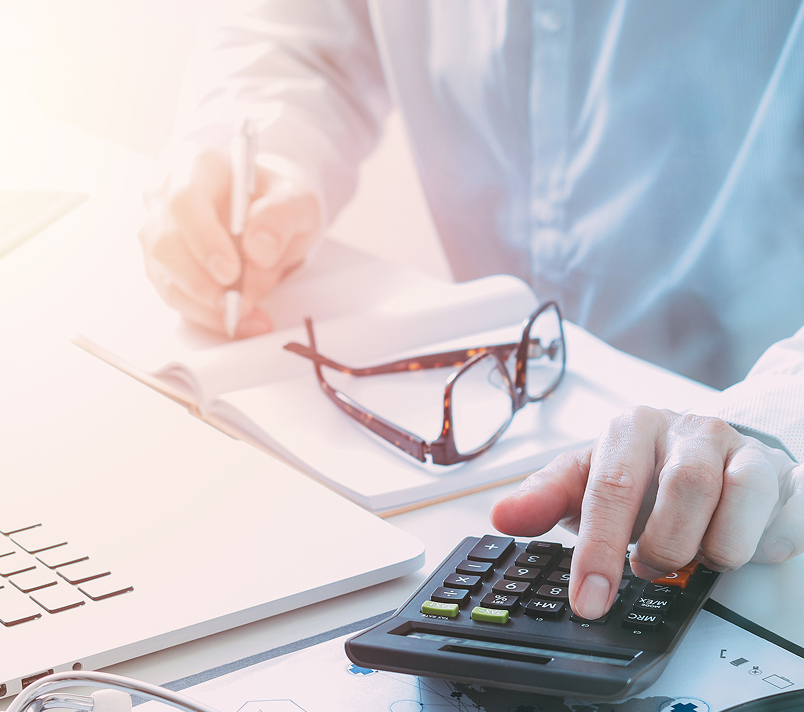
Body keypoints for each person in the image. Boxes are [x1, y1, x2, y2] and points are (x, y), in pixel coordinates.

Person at [139, 1, 804, 618]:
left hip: (758, 491)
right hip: (503, 443)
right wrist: (258, 155)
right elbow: (299, 34)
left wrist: (765, 428)